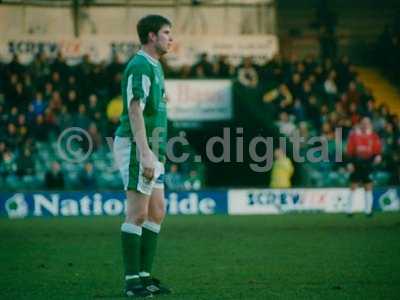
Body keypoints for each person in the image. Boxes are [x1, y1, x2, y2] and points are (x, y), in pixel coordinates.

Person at [113, 15, 172, 297]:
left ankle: (145, 275)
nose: (170, 38)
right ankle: (131, 281)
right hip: (139, 146)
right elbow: (134, 109)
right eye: (166, 32)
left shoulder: (156, 66)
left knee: (156, 211)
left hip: (152, 147)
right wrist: (146, 153)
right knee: (137, 213)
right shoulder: (140, 66)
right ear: (151, 36)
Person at [346, 117, 382, 216]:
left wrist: (378, 156)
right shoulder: (354, 136)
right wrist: (349, 163)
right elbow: (349, 150)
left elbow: (377, 149)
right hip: (356, 162)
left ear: (370, 124)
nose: (365, 125)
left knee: (368, 186)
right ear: (360, 124)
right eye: (363, 123)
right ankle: (349, 210)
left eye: (367, 123)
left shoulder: (373, 136)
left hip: (368, 163)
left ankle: (368, 210)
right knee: (353, 186)